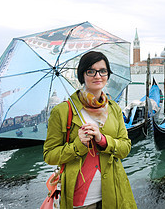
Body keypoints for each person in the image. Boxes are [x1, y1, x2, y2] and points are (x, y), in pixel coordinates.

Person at [44, 51, 137, 209]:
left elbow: (125, 148)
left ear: (108, 74)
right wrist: (77, 145)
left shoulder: (114, 108)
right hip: (80, 199)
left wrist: (102, 140)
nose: (98, 76)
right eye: (91, 71)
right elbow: (49, 155)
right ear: (82, 75)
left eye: (103, 71)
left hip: (114, 192)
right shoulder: (62, 111)